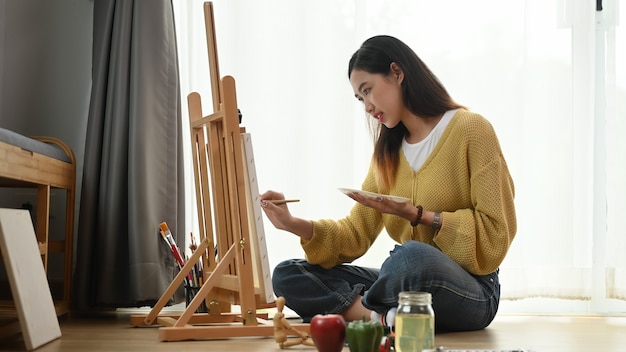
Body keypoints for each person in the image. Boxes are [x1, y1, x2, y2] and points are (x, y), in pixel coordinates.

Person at [260, 35, 516, 333]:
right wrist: (292, 223)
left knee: (409, 257)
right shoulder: (388, 155)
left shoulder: (471, 129)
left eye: (368, 90)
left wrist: (418, 216)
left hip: (473, 289)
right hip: (407, 285)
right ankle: (384, 319)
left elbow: (496, 234)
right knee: (289, 274)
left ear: (397, 72)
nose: (367, 106)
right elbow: (355, 234)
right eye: (360, 98)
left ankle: (361, 314)